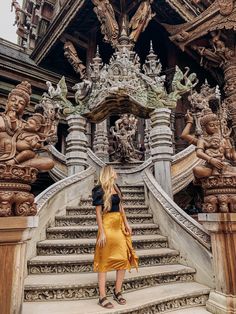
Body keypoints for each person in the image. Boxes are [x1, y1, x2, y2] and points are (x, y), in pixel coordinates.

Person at [92, 165, 138, 309]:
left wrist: (127, 223)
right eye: (114, 171)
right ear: (109, 173)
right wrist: (102, 232)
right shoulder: (99, 190)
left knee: (123, 259)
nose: (116, 172)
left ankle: (117, 291)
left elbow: (121, 208)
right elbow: (98, 213)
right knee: (104, 261)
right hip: (107, 226)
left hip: (118, 227)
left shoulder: (116, 188)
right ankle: (102, 296)